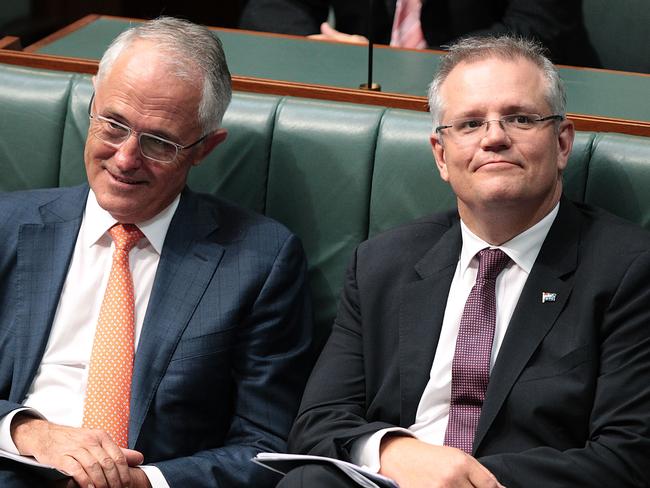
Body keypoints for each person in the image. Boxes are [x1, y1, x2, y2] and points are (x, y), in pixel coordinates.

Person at [280, 36, 650, 487]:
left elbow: (627, 458)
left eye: (519, 118)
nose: (494, 138)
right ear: (441, 154)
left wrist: (462, 477)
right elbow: (317, 423)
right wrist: (395, 451)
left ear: (562, 143)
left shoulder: (629, 269)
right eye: (470, 124)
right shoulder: (382, 264)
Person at [0, 16, 312, 488]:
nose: (125, 158)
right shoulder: (6, 225)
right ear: (91, 106)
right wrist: (26, 430)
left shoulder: (260, 260)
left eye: (159, 142)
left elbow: (265, 446)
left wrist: (145, 482)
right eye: (113, 125)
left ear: (204, 147)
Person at [239, 0, 600, 67]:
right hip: (371, 98)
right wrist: (317, 48)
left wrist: (395, 65)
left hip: (511, 102)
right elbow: (270, 7)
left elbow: (536, 30)